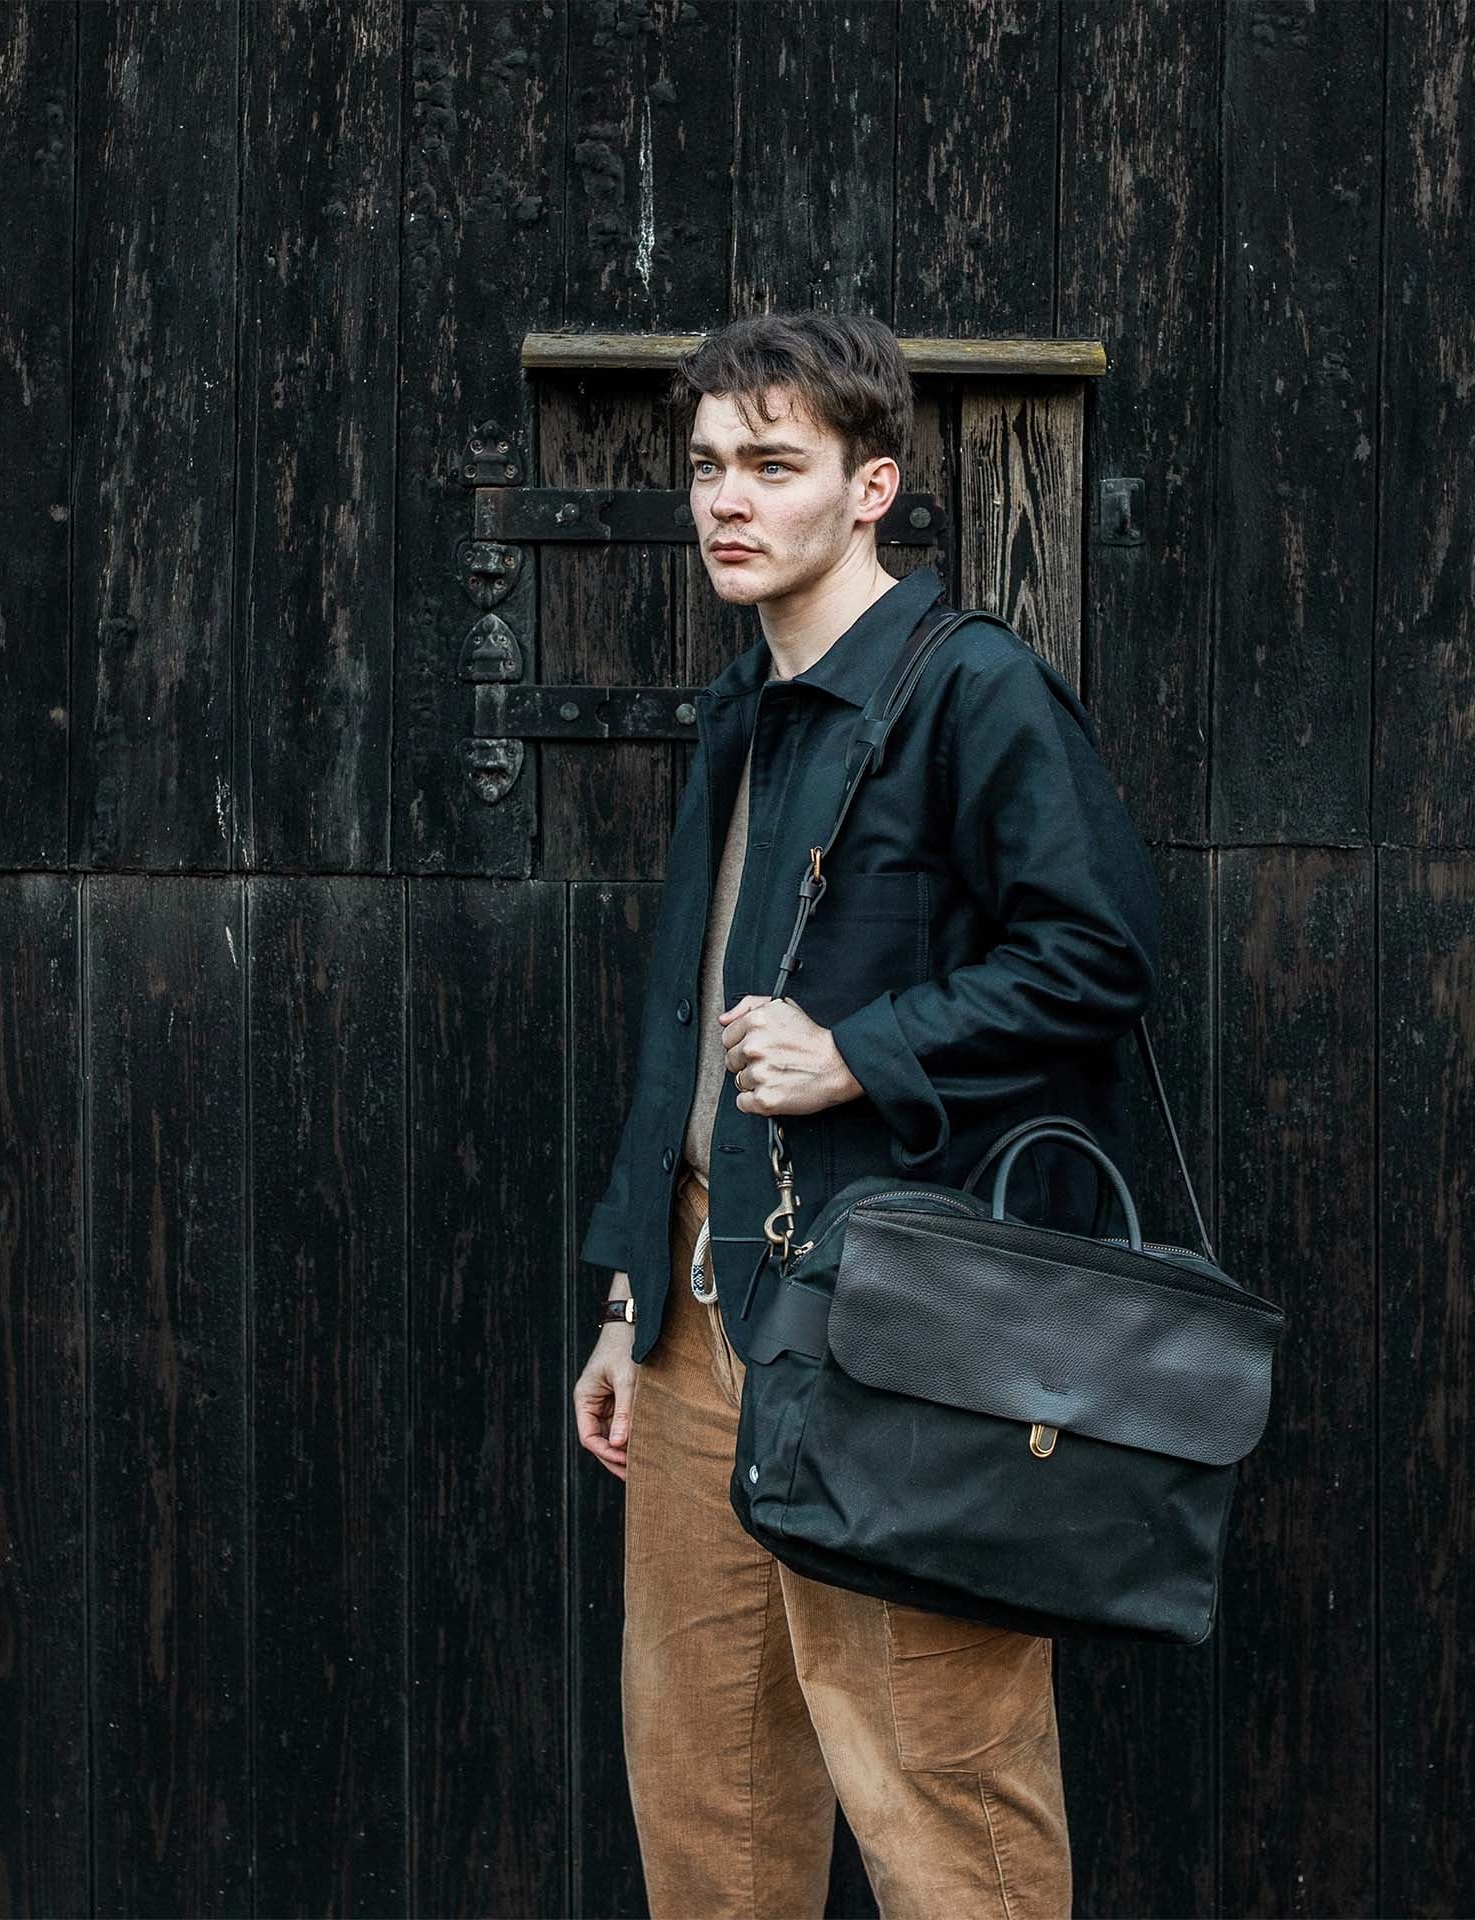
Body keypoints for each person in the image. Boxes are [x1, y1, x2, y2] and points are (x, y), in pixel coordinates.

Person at [570, 311, 1163, 1919]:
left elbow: (1102, 953)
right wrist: (630, 1291)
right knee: (707, 1796)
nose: (727, 500)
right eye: (709, 466)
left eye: (775, 464)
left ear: (872, 485)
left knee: (943, 1794)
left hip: (903, 1330)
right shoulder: (739, 708)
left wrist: (861, 1052)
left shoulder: (976, 690)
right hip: (702, 1308)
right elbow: (682, 1029)